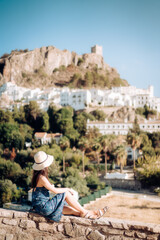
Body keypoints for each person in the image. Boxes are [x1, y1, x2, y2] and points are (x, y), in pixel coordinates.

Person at [31, 151, 108, 222]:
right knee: (66, 193)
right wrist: (68, 189)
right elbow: (54, 190)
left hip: (41, 208)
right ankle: (86, 212)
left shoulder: (38, 177)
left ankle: (92, 214)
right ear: (45, 166)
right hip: (44, 207)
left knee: (71, 210)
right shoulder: (42, 177)